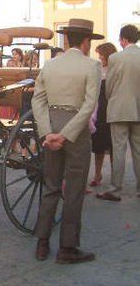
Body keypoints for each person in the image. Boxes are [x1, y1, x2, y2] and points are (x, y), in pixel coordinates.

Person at [32, 18, 102, 264]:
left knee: (51, 186)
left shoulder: (50, 65)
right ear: (85, 42)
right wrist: (67, 133)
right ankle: (67, 248)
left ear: (66, 39)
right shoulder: (92, 66)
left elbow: (37, 101)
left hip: (52, 124)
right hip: (76, 131)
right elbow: (88, 105)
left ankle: (42, 243)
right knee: (73, 190)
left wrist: (47, 132)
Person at [97, 25, 140, 201]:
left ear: (123, 39)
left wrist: (111, 99)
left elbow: (110, 85)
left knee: (119, 149)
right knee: (138, 151)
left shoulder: (116, 58)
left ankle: (115, 189)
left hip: (119, 108)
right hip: (138, 109)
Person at [88, 42, 116, 186]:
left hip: (111, 109)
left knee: (113, 147)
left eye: (101, 54)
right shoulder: (98, 69)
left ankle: (114, 177)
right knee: (98, 146)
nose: (99, 57)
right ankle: (97, 175)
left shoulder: (115, 69)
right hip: (99, 110)